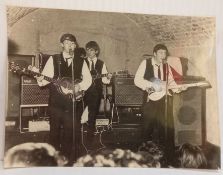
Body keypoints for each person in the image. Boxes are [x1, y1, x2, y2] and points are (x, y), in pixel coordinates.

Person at [32, 33, 92, 161]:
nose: (70, 45)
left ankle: (67, 159)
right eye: (67, 43)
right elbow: (44, 80)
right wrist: (39, 77)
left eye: (72, 43)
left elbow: (88, 79)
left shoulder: (81, 61)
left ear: (75, 46)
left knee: (70, 131)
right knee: (54, 131)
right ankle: (53, 159)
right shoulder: (53, 59)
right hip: (56, 102)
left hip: (72, 102)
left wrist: (78, 87)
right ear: (61, 45)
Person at [134, 44, 185, 146]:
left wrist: (179, 89)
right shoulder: (146, 63)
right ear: (154, 54)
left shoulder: (166, 66)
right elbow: (137, 80)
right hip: (150, 100)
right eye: (160, 53)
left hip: (164, 100)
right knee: (147, 127)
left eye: (165, 53)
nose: (163, 55)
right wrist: (153, 84)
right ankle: (145, 153)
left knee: (166, 128)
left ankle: (165, 153)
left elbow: (171, 83)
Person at [84, 41, 112, 147]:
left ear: (96, 51)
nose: (89, 52)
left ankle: (89, 142)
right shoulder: (82, 62)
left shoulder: (101, 63)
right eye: (87, 50)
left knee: (92, 117)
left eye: (91, 50)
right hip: (82, 92)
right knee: (79, 114)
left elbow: (105, 80)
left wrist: (108, 77)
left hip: (95, 93)